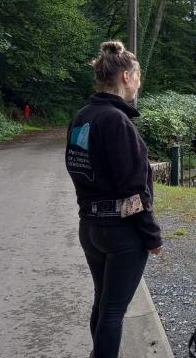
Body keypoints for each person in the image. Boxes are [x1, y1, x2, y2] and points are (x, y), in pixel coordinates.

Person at [65, 41, 162, 358]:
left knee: (103, 302)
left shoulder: (83, 116)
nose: (138, 83)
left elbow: (79, 170)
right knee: (112, 311)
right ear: (124, 76)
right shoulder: (117, 122)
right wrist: (151, 235)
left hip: (90, 227)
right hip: (120, 233)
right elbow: (132, 189)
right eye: (137, 76)